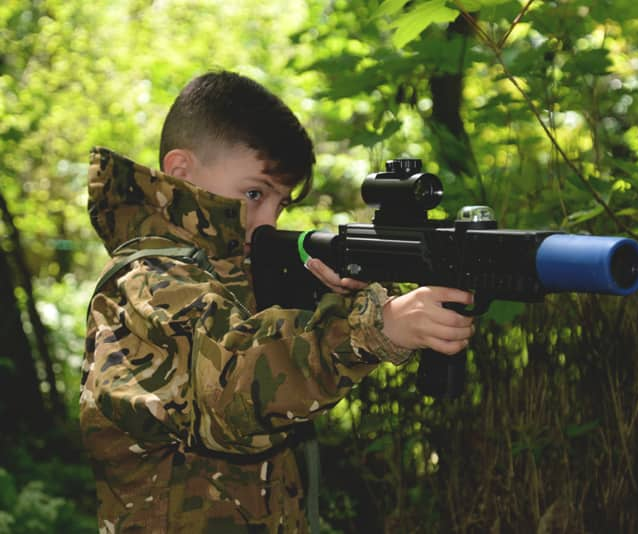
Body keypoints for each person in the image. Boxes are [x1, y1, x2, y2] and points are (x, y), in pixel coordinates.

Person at [80, 70, 474, 533]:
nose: (266, 221)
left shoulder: (230, 277)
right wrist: (371, 329)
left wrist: (336, 303)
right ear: (180, 170)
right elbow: (229, 394)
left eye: (280, 204)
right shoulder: (146, 286)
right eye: (253, 194)